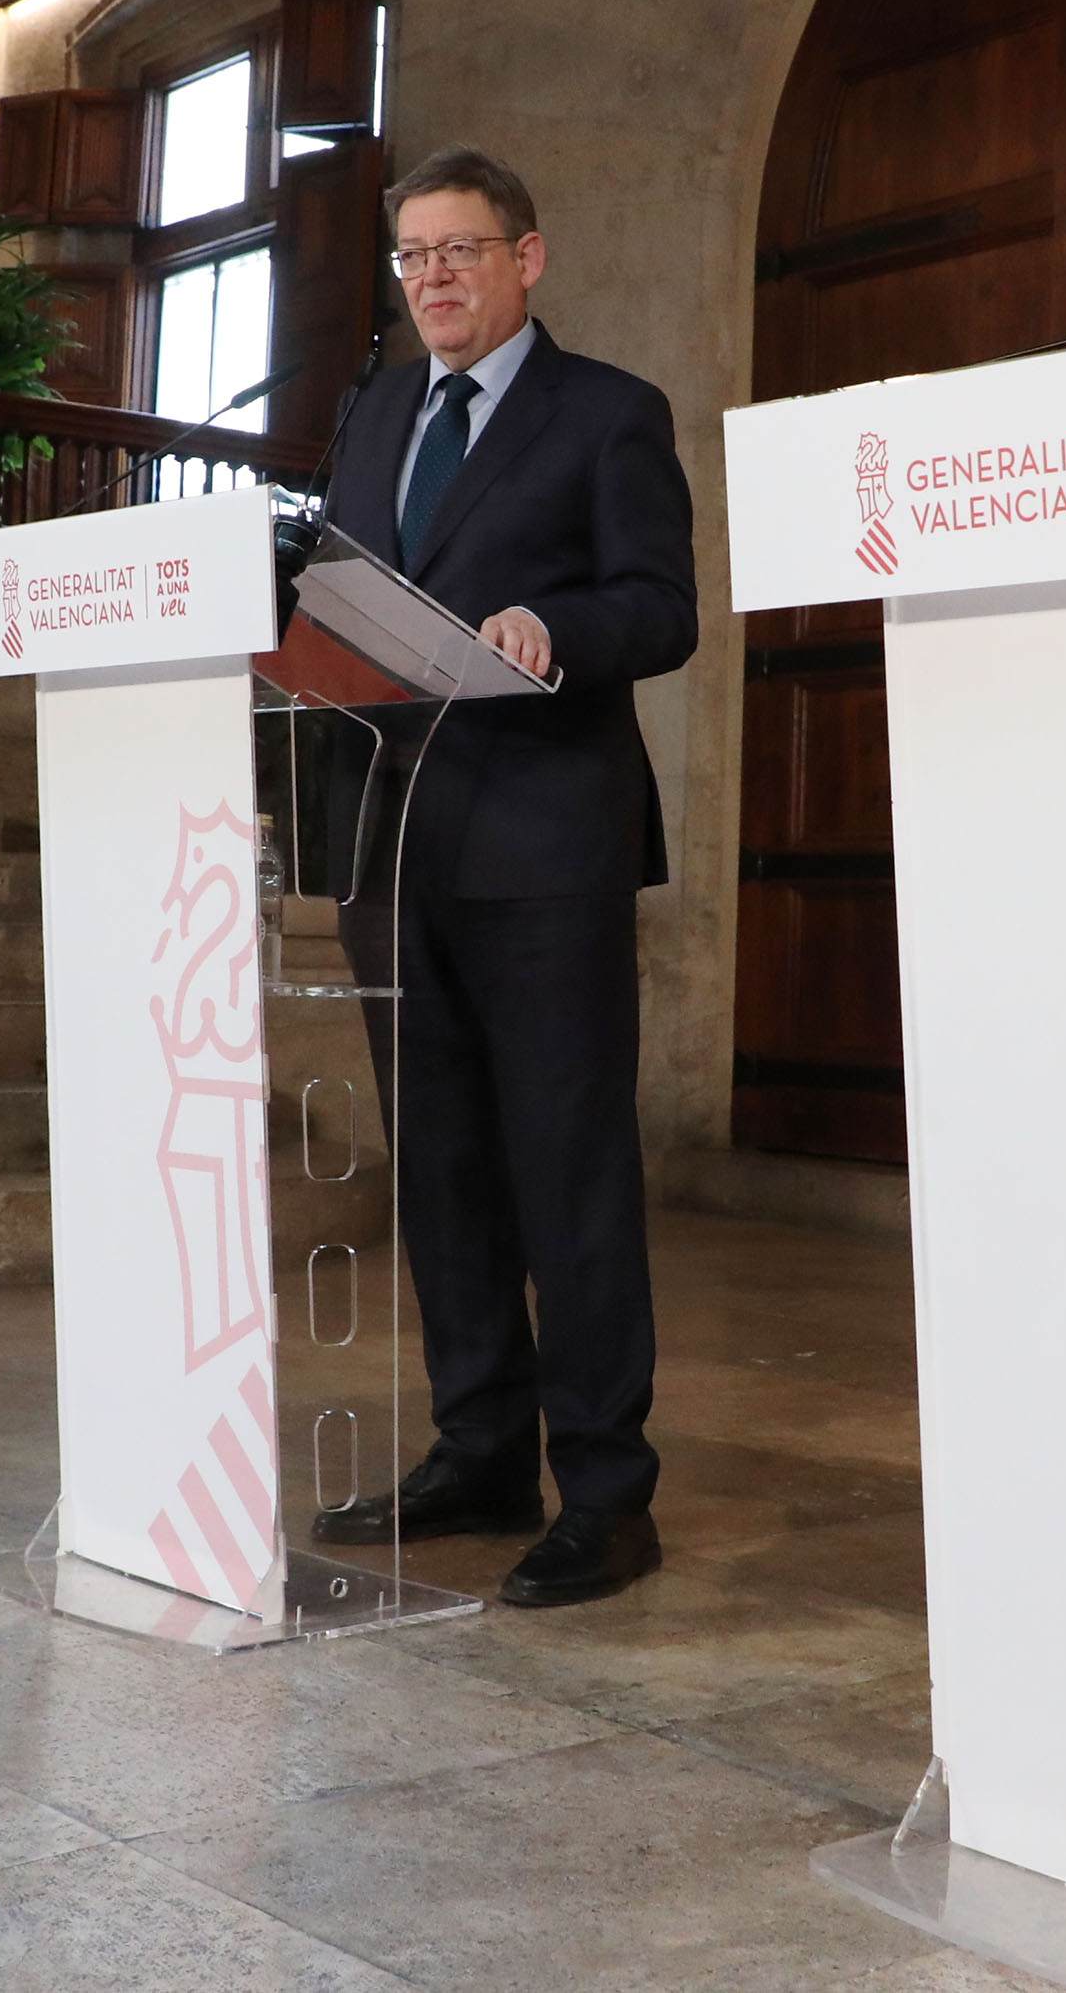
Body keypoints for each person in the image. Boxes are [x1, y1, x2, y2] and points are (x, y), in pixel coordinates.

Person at [308, 144, 696, 1608]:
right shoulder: (378, 409)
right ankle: (480, 1448)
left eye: (459, 251)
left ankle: (605, 1490)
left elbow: (662, 607)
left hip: (543, 844)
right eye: (412, 257)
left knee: (565, 1168)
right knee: (444, 1164)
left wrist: (555, 627)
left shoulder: (608, 413)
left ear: (527, 259)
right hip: (391, 841)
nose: (433, 279)